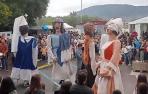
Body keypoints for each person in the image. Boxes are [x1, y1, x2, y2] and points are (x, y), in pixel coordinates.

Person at [92, 18, 124, 94]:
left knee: (107, 88)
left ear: (114, 30)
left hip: (109, 70)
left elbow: (115, 58)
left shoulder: (117, 42)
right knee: (101, 87)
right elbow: (102, 57)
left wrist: (107, 69)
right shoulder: (107, 42)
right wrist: (98, 64)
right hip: (103, 67)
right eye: (108, 27)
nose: (107, 28)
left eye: (110, 27)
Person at [47, 18, 72, 83]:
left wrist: (68, 56)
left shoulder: (66, 35)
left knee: (64, 78)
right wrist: (53, 57)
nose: (57, 25)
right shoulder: (50, 36)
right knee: (57, 78)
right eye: (56, 23)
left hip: (64, 58)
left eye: (59, 23)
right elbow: (49, 48)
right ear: (54, 25)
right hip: (56, 58)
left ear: (61, 25)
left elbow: (69, 47)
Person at [83, 22, 96, 87]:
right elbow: (92, 57)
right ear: (90, 30)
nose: (94, 30)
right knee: (91, 85)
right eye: (93, 29)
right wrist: (94, 71)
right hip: (91, 65)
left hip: (87, 63)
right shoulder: (91, 41)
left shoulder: (86, 39)